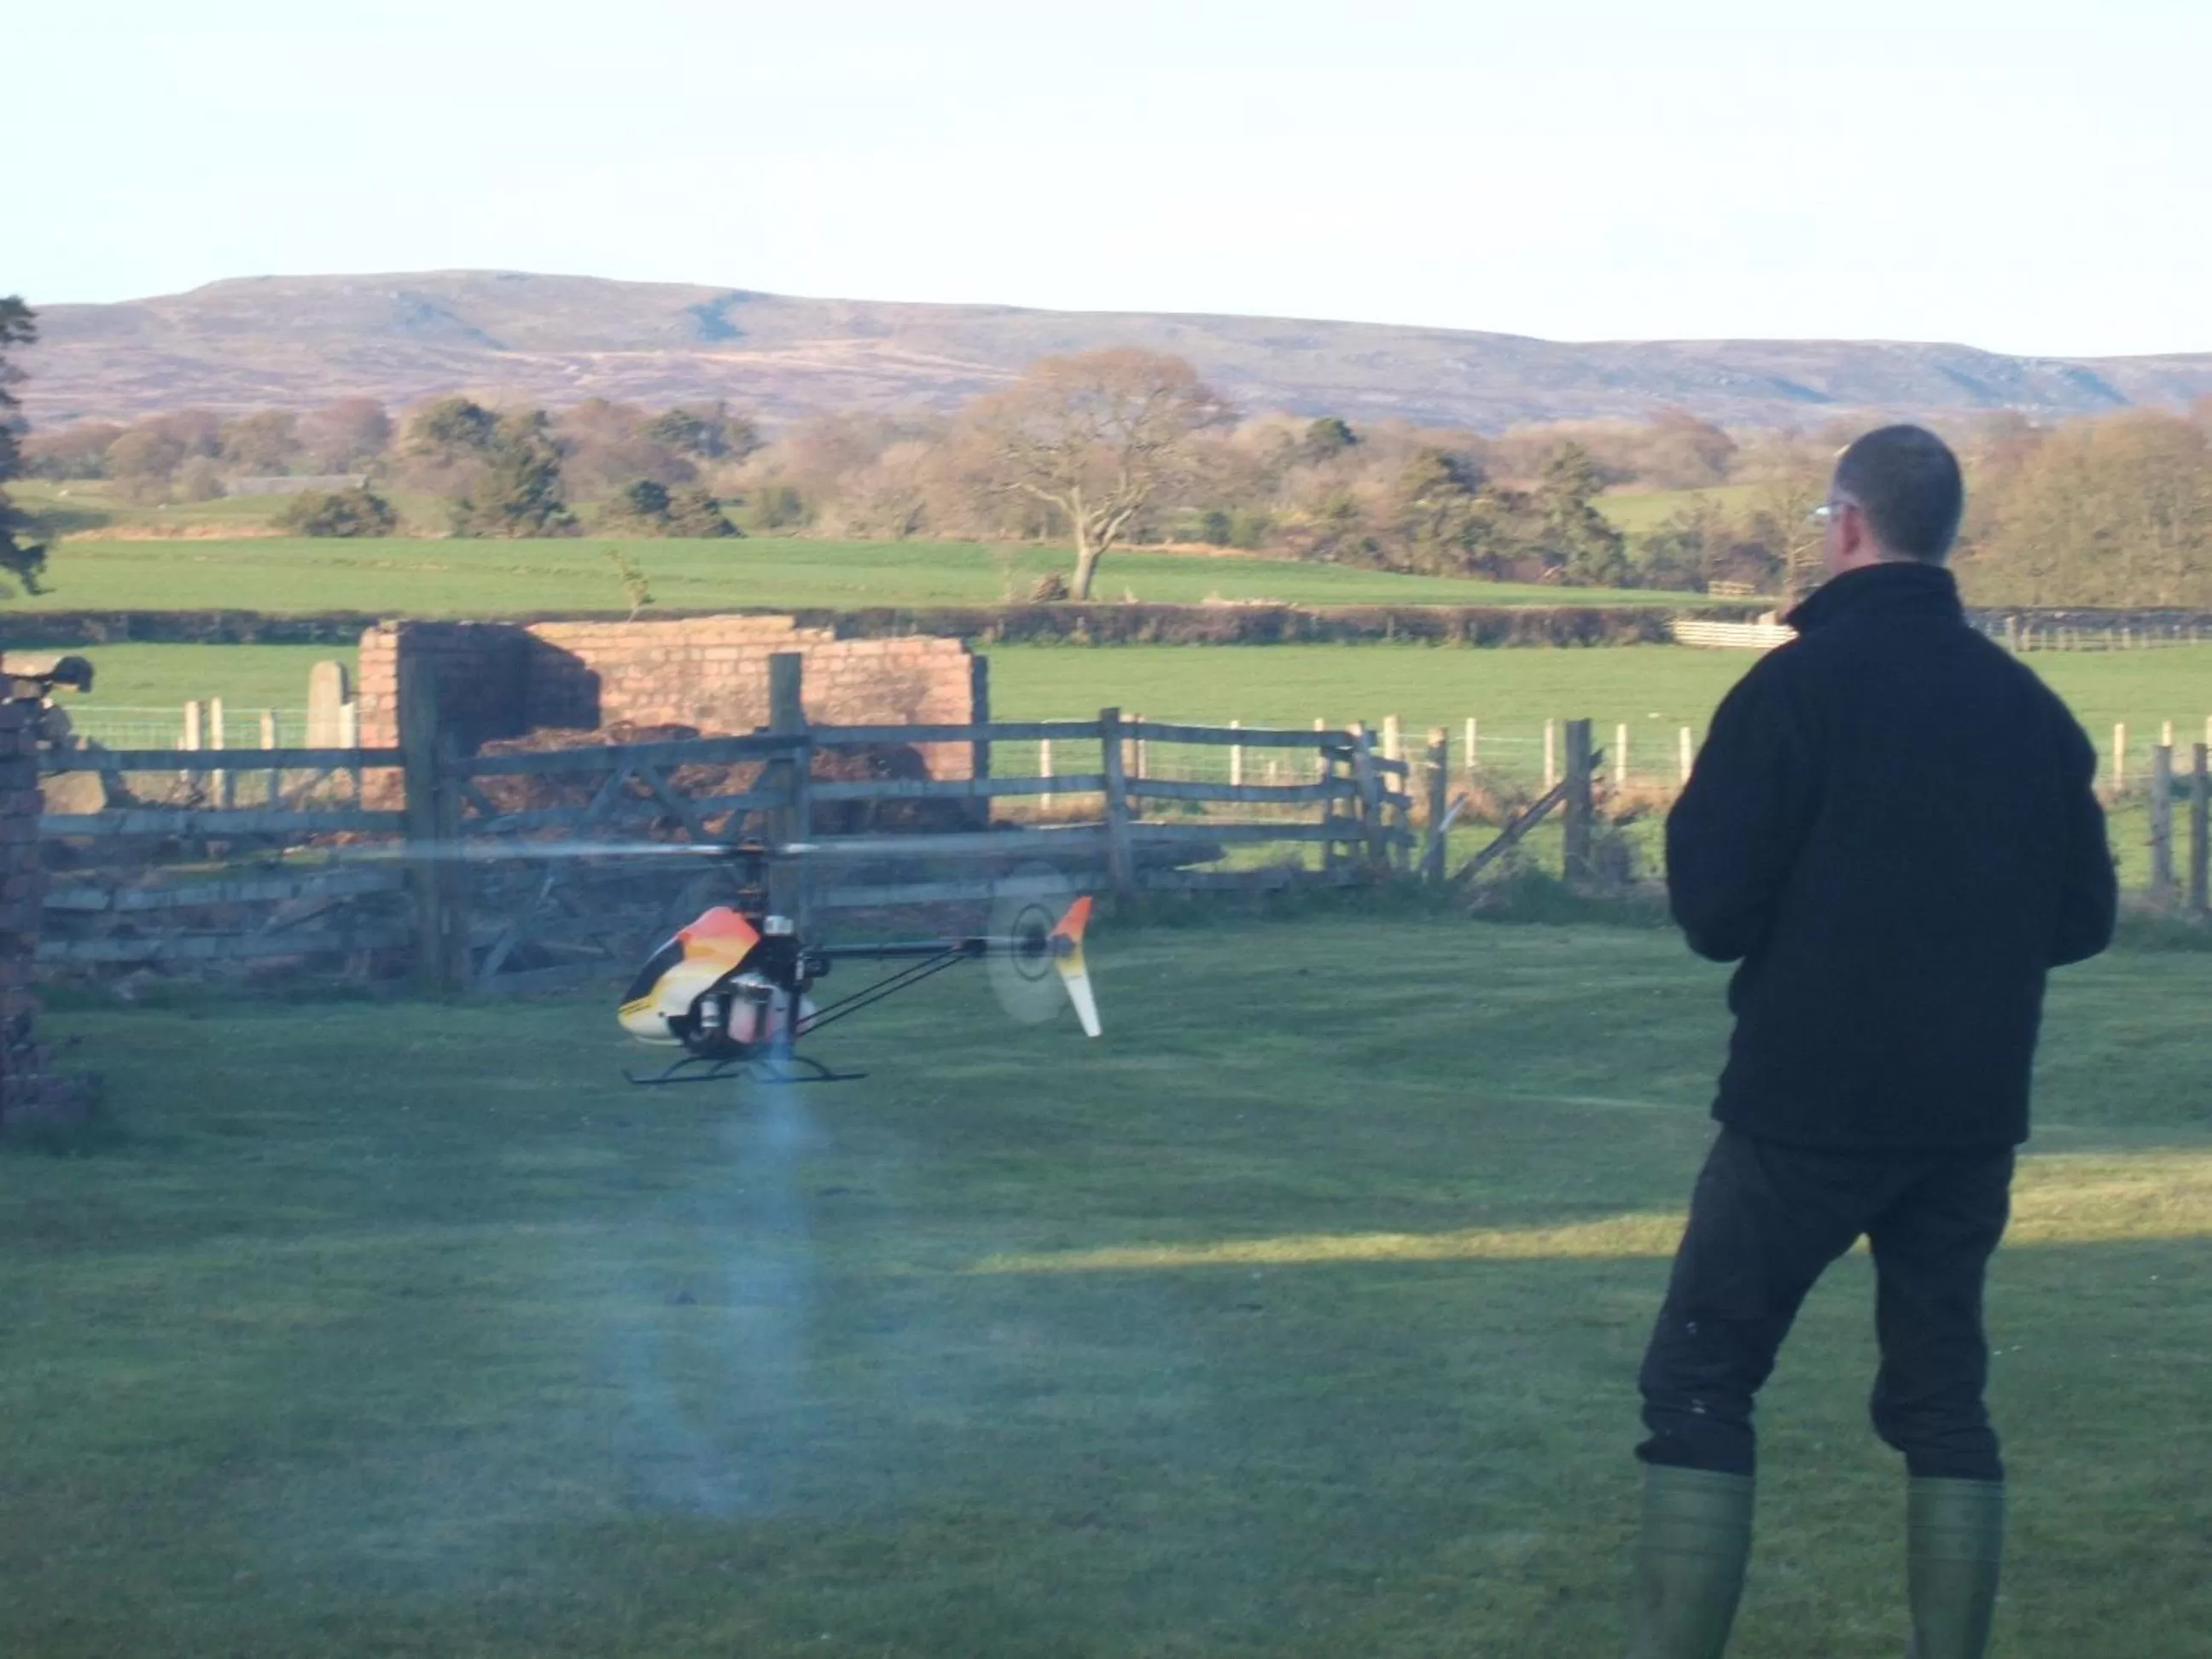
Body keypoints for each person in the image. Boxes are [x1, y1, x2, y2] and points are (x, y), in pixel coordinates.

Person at [1627, 425, 2116, 1659]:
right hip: (1969, 1112)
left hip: (1805, 1103)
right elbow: (2084, 919)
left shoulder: (1792, 690)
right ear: (1942, 534)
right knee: (1944, 1399)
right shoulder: (2031, 711)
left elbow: (1712, 910)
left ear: (1846, 524)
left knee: (1701, 1377)